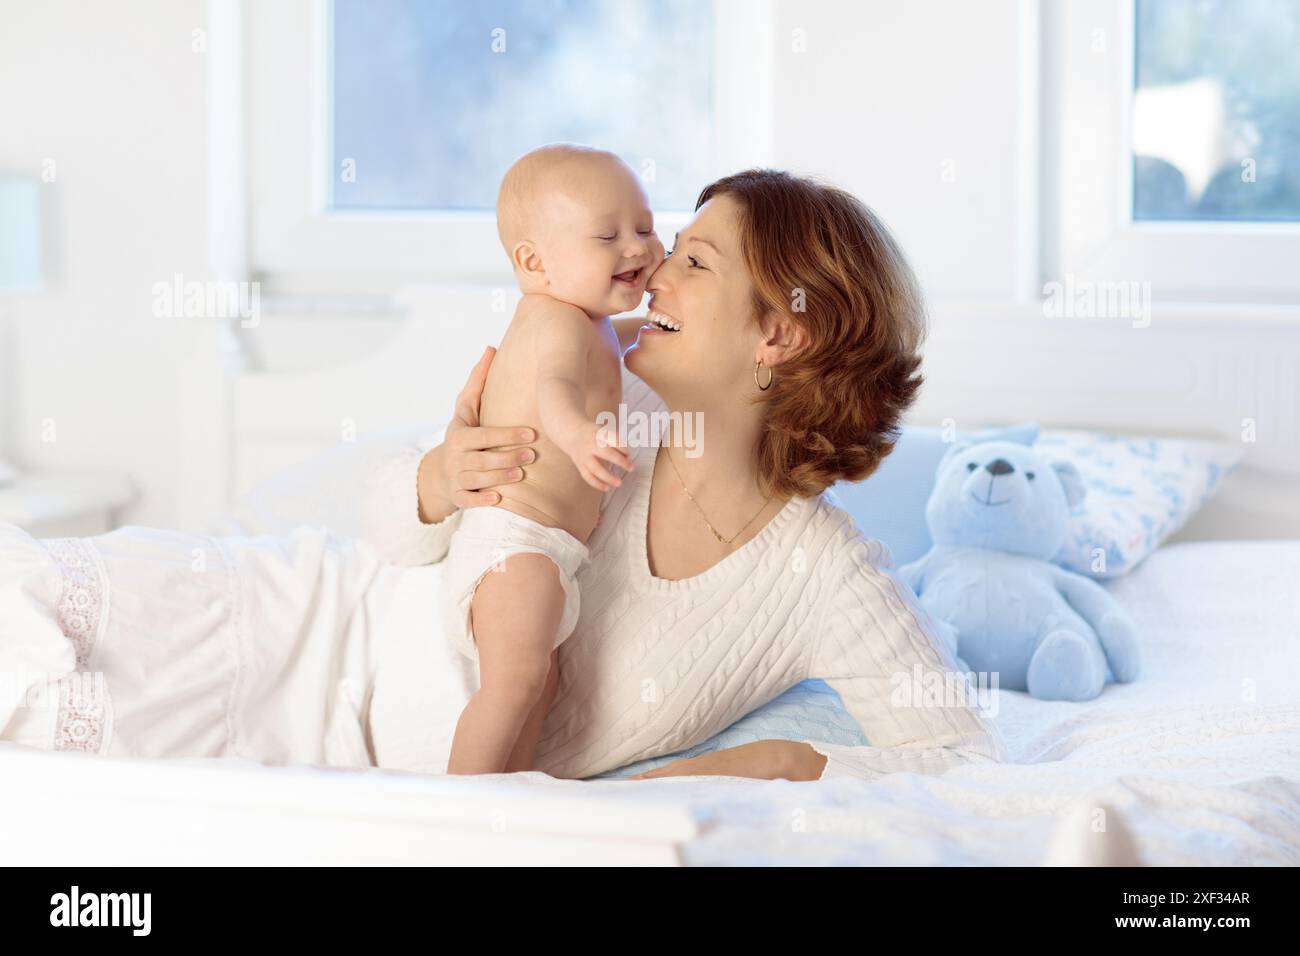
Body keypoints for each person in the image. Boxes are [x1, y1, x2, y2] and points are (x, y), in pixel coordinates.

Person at [362, 168, 1008, 782]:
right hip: (317, 668)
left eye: (694, 262)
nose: (653, 276)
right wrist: (442, 480)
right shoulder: (602, 388)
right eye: (672, 251)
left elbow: (967, 764)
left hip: (426, 812)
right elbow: (385, 536)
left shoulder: (823, 573)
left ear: (779, 336)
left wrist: (778, 762)